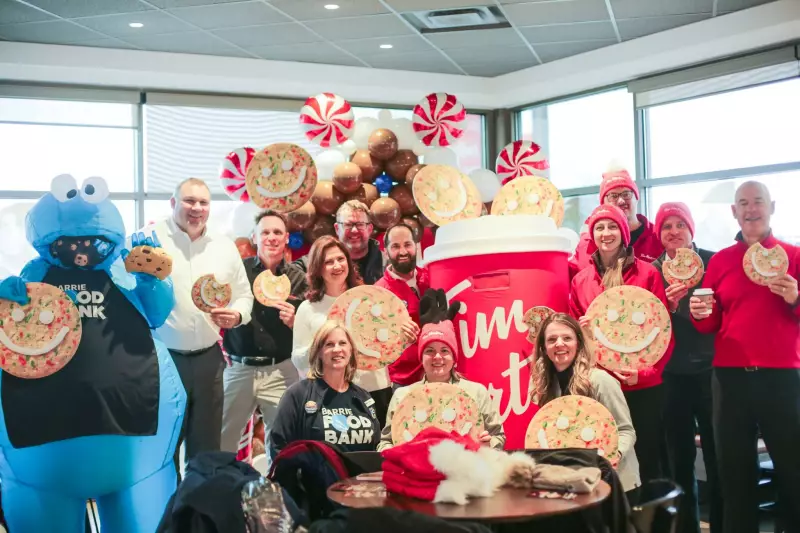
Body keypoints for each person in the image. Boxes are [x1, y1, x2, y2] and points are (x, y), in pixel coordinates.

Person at [690, 181, 800, 533]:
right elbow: (710, 325)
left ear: (772, 207)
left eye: (758, 202)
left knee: (793, 468)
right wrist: (699, 312)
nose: (751, 209)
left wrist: (795, 297)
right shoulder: (721, 261)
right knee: (734, 472)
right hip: (729, 379)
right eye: (743, 203)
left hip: (780, 378)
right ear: (733, 212)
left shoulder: (793, 257)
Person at [147, 177, 254, 472]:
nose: (197, 208)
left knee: (206, 448)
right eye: (189, 201)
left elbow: (244, 295)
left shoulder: (223, 246)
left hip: (209, 360)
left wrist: (237, 315)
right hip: (164, 361)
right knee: (164, 447)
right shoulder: (149, 240)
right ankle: (166, 512)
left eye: (203, 202)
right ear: (173, 203)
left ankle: (199, 512)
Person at [569, 203, 673, 487]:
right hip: (602, 387)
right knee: (605, 462)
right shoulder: (581, 281)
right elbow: (573, 336)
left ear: (624, 233)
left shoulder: (648, 274)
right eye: (600, 227)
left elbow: (663, 332)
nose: (606, 233)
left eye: (613, 226)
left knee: (649, 463)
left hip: (642, 388)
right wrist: (582, 333)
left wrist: (647, 374)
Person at [651, 203, 722, 533]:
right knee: (679, 462)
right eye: (667, 226)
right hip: (670, 376)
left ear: (692, 229)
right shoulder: (652, 270)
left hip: (711, 372)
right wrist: (669, 306)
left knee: (717, 457)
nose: (674, 231)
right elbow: (645, 326)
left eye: (681, 224)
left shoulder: (712, 262)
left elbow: (728, 312)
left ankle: (723, 525)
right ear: (659, 235)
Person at [292, 236, 412, 427]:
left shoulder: (370, 298)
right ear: (317, 268)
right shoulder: (308, 308)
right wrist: (322, 344)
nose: (336, 265)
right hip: (331, 394)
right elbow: (297, 358)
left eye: (340, 259)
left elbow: (386, 346)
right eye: (328, 262)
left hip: (375, 388)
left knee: (377, 450)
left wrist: (405, 339)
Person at [220, 209, 307, 454]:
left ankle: (279, 490)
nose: (271, 237)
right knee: (224, 439)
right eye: (265, 232)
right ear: (255, 237)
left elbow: (310, 326)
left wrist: (295, 321)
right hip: (239, 369)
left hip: (281, 370)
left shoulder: (298, 279)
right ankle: (222, 489)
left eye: (277, 232)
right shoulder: (238, 272)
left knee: (283, 442)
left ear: (287, 238)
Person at [530, 313, 640, 493]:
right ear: (543, 347)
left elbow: (626, 431)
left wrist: (609, 459)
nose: (559, 343)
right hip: (577, 484)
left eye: (567, 338)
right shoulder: (547, 387)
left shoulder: (600, 381)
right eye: (551, 339)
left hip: (616, 484)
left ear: (578, 343)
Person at [378, 317, 505, 451]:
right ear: (421, 358)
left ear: (454, 357)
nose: (437, 356)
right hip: (415, 470)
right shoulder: (402, 396)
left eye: (444, 350)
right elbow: (386, 442)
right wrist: (394, 454)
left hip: (464, 469)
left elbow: (498, 436)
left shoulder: (476, 392)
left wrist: (486, 446)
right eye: (429, 351)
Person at [270, 320, 380, 456]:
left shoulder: (364, 397)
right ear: (319, 353)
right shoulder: (297, 394)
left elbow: (375, 448)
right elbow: (279, 447)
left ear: (351, 350)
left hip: (361, 477)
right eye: (329, 344)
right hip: (316, 477)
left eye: (343, 343)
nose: (337, 349)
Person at [570, 167, 663, 278]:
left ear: (636, 198)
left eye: (626, 194)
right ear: (602, 203)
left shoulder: (658, 237)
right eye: (613, 196)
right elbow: (572, 278)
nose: (621, 201)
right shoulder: (587, 242)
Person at [375, 223, 425, 387]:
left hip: (437, 372)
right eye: (396, 246)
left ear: (416, 246)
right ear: (386, 251)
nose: (403, 252)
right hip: (401, 381)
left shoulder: (432, 277)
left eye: (407, 244)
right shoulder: (378, 292)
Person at [334, 200, 384, 285]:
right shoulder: (322, 265)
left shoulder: (387, 265)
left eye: (360, 224)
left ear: (370, 229)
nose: (354, 230)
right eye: (348, 225)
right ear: (337, 229)